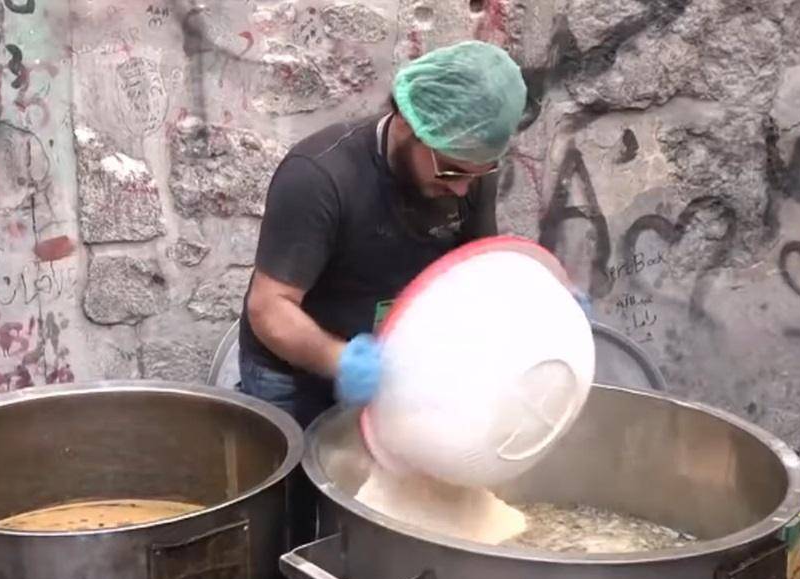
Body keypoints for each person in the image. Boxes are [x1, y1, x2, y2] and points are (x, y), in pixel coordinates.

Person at [238, 39, 588, 431]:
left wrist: (541, 298)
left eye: (479, 173)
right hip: (294, 374)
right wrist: (339, 360)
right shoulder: (319, 177)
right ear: (406, 123)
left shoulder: (466, 174)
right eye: (452, 170)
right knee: (301, 469)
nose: (461, 189)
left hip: (394, 368)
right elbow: (269, 308)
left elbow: (477, 267)